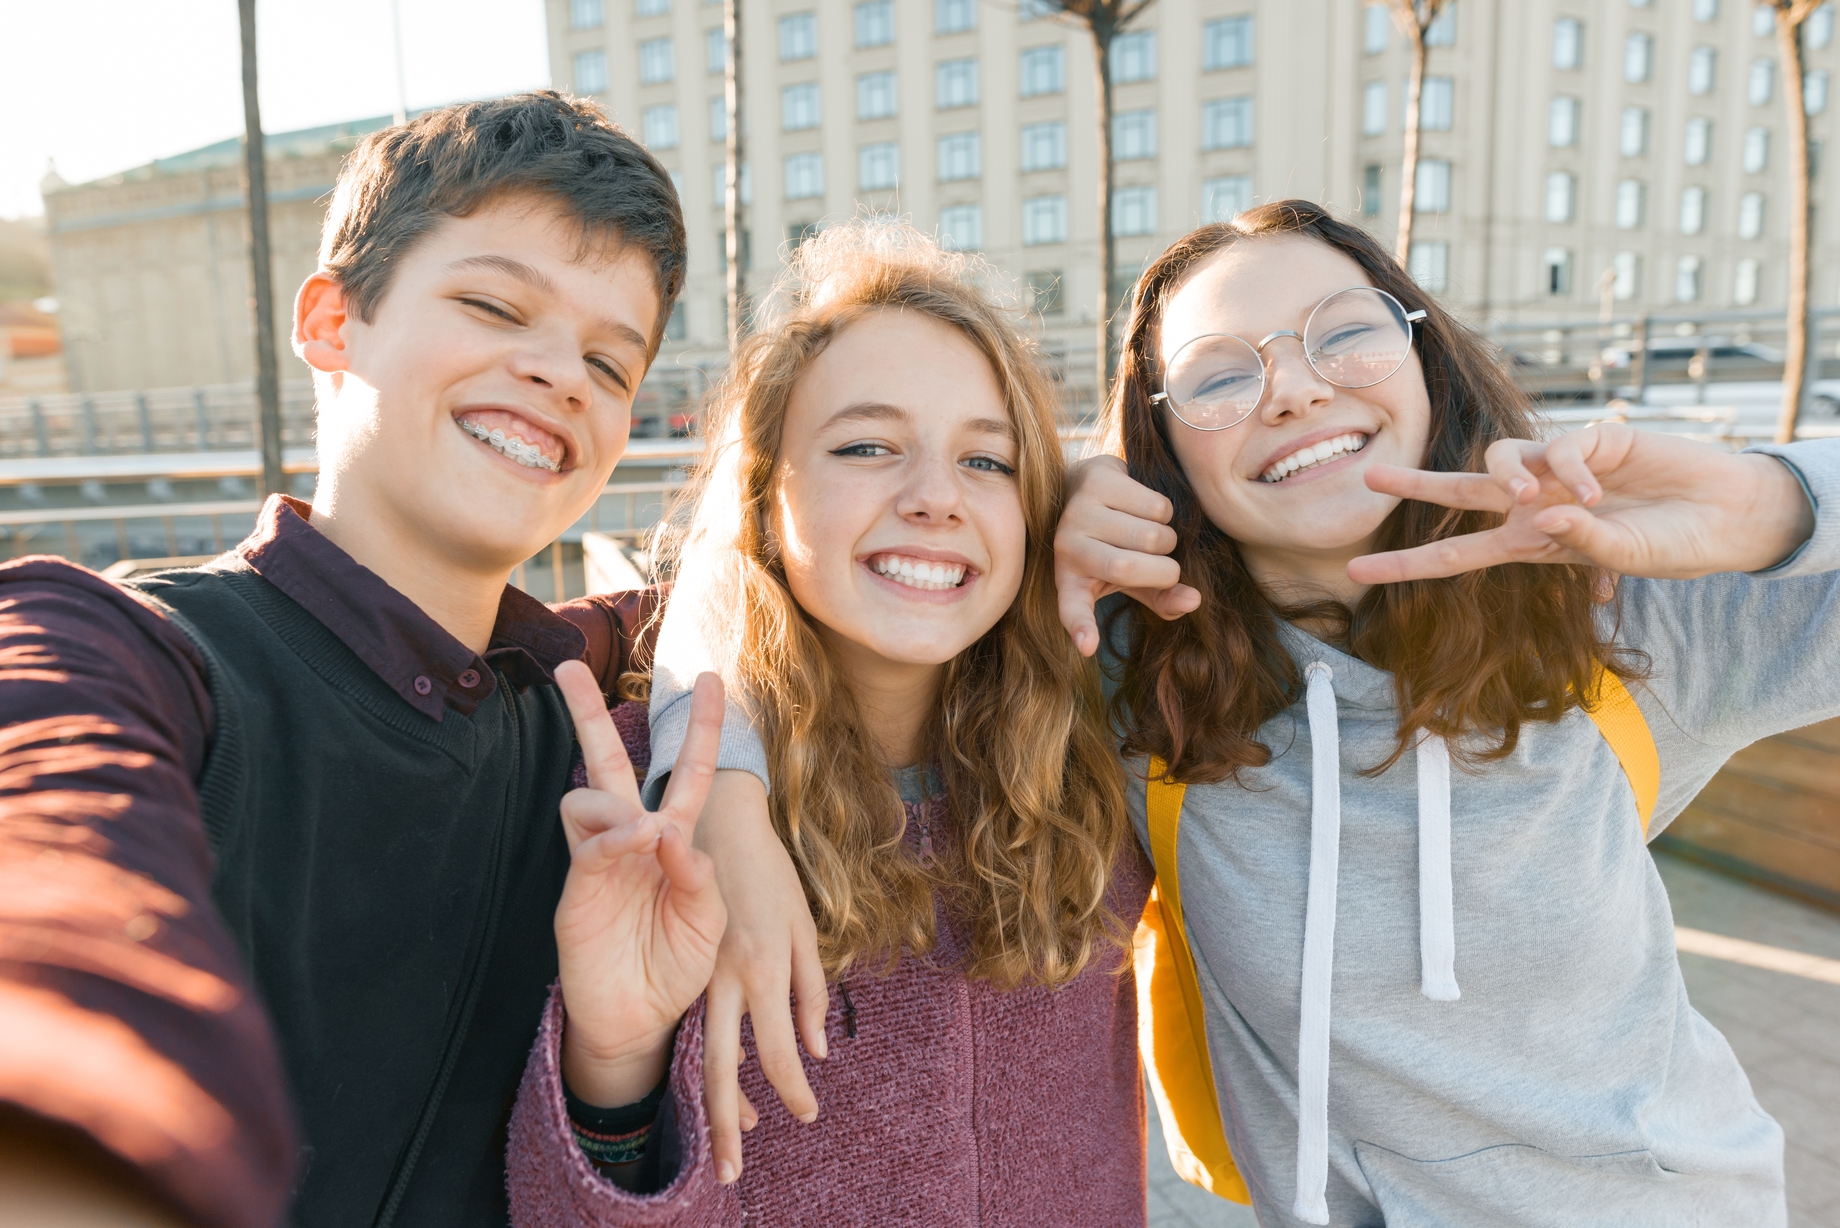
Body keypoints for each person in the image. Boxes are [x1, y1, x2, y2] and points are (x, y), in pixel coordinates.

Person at [1046, 201, 1837, 1226]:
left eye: (1343, 329)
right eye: (1218, 375)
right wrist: (1027, 514)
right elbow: (818, 619)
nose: (1292, 385)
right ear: (1160, 452)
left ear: (1424, 359)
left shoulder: (1615, 611)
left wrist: (1776, 502)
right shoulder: (1131, 681)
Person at [0, 92, 685, 1227]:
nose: (563, 373)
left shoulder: (559, 689)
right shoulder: (128, 648)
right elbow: (51, 846)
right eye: (492, 303)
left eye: (611, 365)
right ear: (329, 320)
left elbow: (753, 591)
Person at [503, 221, 1153, 1224]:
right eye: (866, 446)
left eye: (986, 462)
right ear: (763, 500)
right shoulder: (637, 804)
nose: (935, 496)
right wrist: (613, 1062)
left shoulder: (1094, 760)